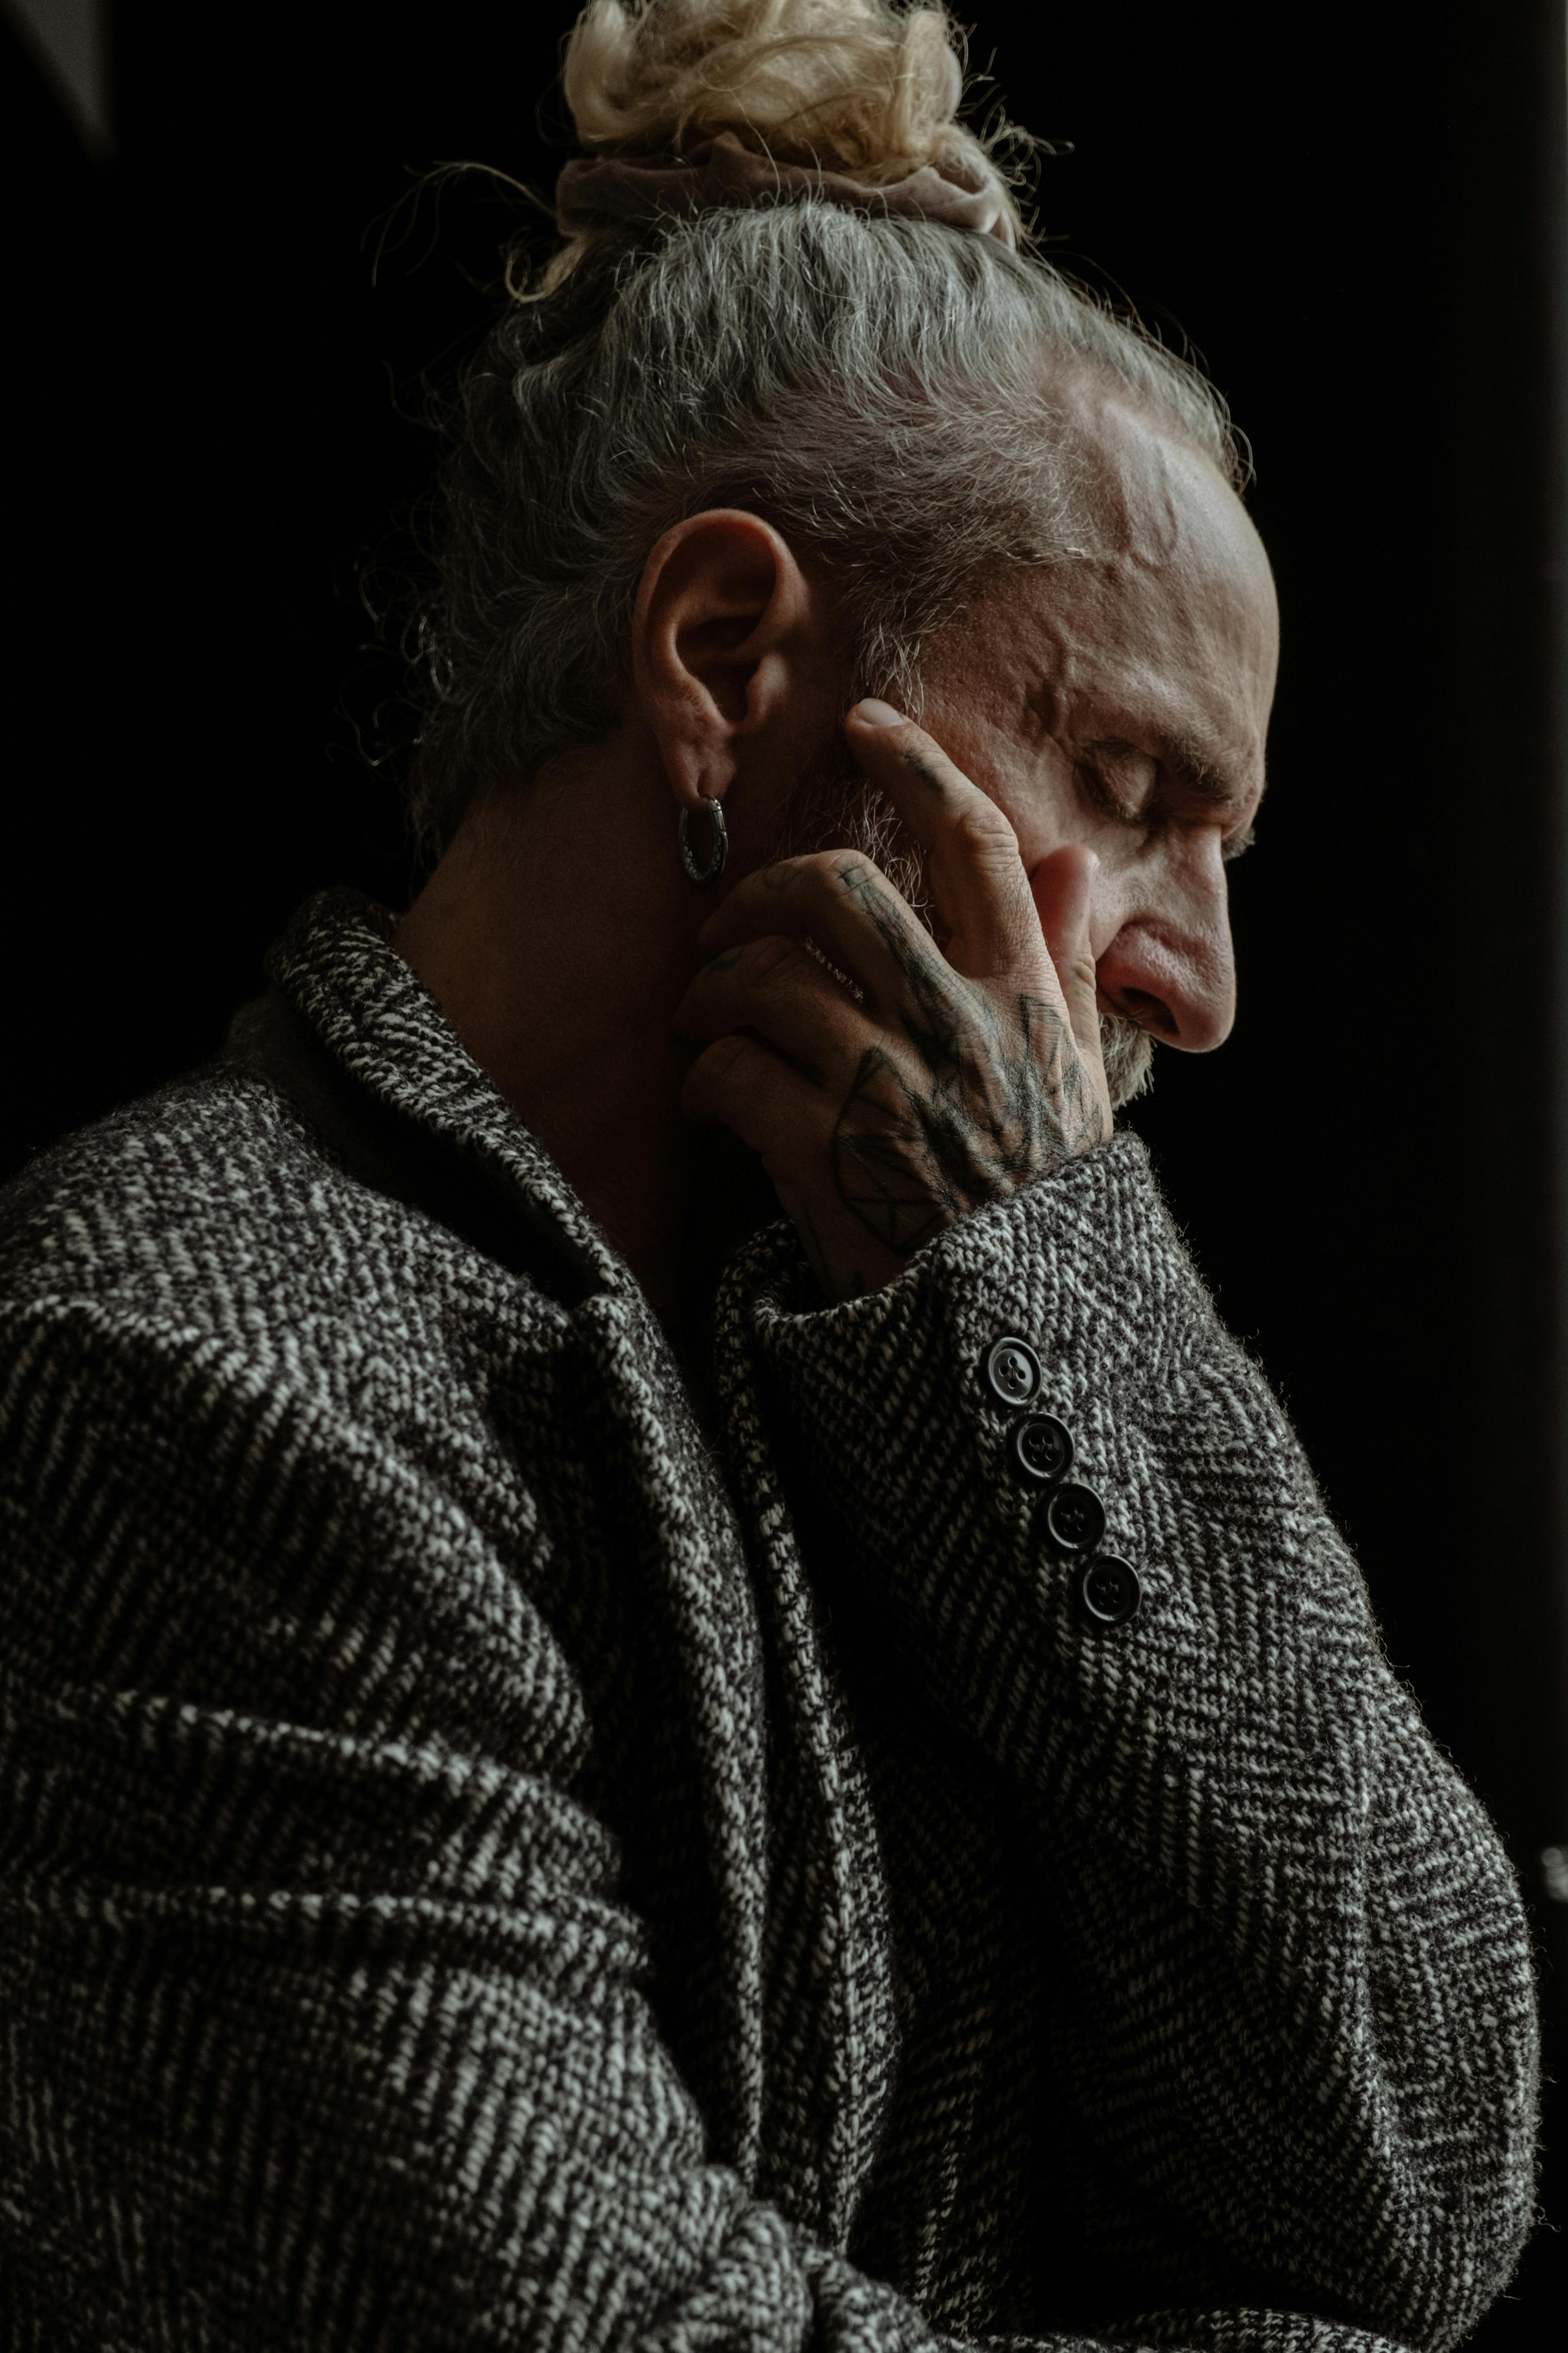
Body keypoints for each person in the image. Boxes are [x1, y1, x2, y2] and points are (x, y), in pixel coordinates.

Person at [0, 4, 1540, 2348]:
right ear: (726, 659)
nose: (1211, 980)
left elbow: (1424, 2184)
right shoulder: (182, 1361)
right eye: (1132, 783)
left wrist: (1044, 1296)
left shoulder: (916, 1321)